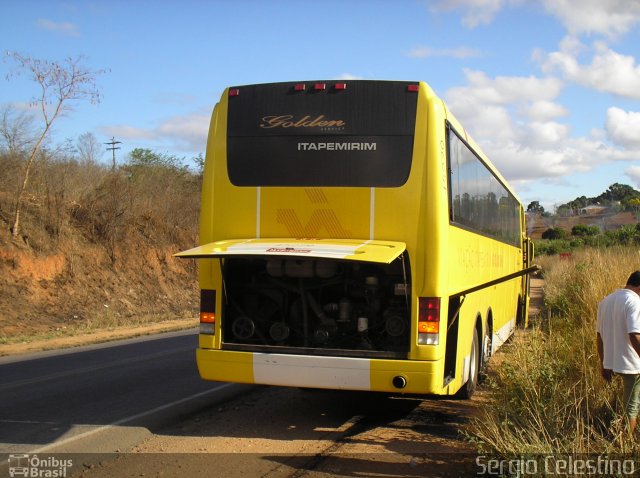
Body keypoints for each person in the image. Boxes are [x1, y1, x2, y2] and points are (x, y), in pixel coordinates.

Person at [596, 270, 640, 435]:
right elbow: (634, 335)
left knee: (627, 404)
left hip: (613, 362)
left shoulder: (605, 301)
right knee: (631, 407)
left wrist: (603, 363)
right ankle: (626, 442)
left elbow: (599, 337)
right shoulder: (634, 301)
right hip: (632, 364)